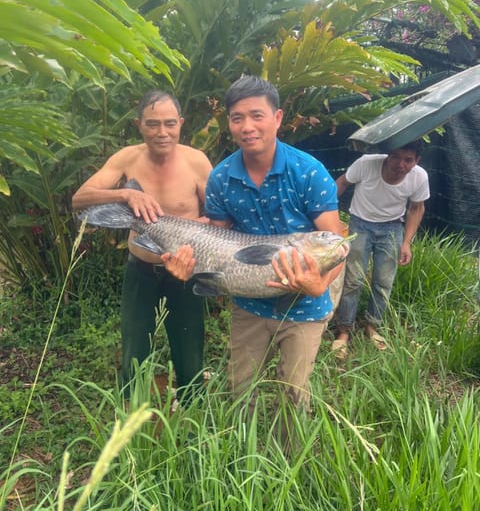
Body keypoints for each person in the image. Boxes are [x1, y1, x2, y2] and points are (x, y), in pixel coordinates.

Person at [163, 76, 346, 432]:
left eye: (257, 116)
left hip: (304, 307)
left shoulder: (308, 172)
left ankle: (289, 470)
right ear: (229, 123)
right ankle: (239, 461)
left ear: (277, 118)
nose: (247, 127)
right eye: (237, 118)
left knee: (293, 391)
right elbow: (216, 238)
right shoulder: (221, 178)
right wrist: (189, 264)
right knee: (239, 387)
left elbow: (336, 245)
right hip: (248, 302)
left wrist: (317, 285)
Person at [72, 90, 212, 402]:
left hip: (185, 273)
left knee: (189, 349)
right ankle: (132, 413)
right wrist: (125, 194)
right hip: (141, 270)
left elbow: (221, 215)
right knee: (135, 346)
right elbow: (80, 198)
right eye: (152, 124)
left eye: (169, 124)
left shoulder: (196, 161)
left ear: (181, 123)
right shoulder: (127, 158)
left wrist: (206, 226)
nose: (162, 132)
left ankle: (192, 414)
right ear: (139, 125)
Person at [332, 141, 430, 359]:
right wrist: (326, 214)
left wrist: (406, 242)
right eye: (395, 157)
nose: (400, 164)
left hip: (392, 227)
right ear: (388, 155)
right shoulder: (366, 164)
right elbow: (342, 182)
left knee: (384, 282)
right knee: (353, 280)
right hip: (360, 223)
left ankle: (372, 327)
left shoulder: (419, 177)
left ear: (417, 161)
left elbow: (416, 208)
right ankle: (343, 331)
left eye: (408, 160)